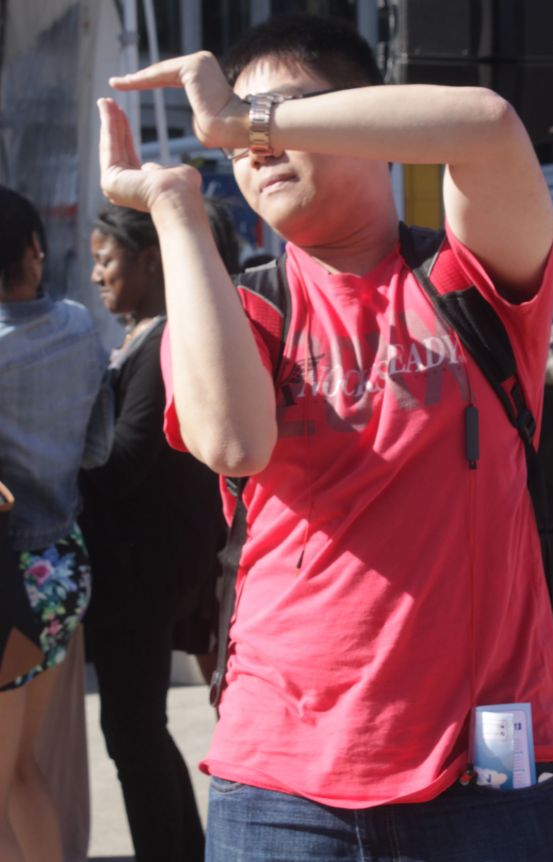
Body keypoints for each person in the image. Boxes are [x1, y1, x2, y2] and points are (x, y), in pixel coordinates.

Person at [97, 12, 553, 861]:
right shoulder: (240, 307)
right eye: (236, 138)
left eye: (285, 113)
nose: (253, 145)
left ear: (372, 121)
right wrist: (176, 209)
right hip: (279, 790)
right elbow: (233, 444)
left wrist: (242, 118)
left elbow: (488, 126)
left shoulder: (467, 279)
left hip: (488, 781)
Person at [78, 203, 229, 862]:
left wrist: (52, 465)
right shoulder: (144, 337)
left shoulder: (163, 342)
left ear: (148, 260)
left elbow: (124, 462)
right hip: (142, 569)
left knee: (133, 730)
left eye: (105, 261)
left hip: (143, 575)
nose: (96, 276)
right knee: (137, 729)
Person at [0, 185, 111, 862]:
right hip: (61, 572)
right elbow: (96, 449)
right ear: (36, 251)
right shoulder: (77, 327)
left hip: (5, 579)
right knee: (19, 770)